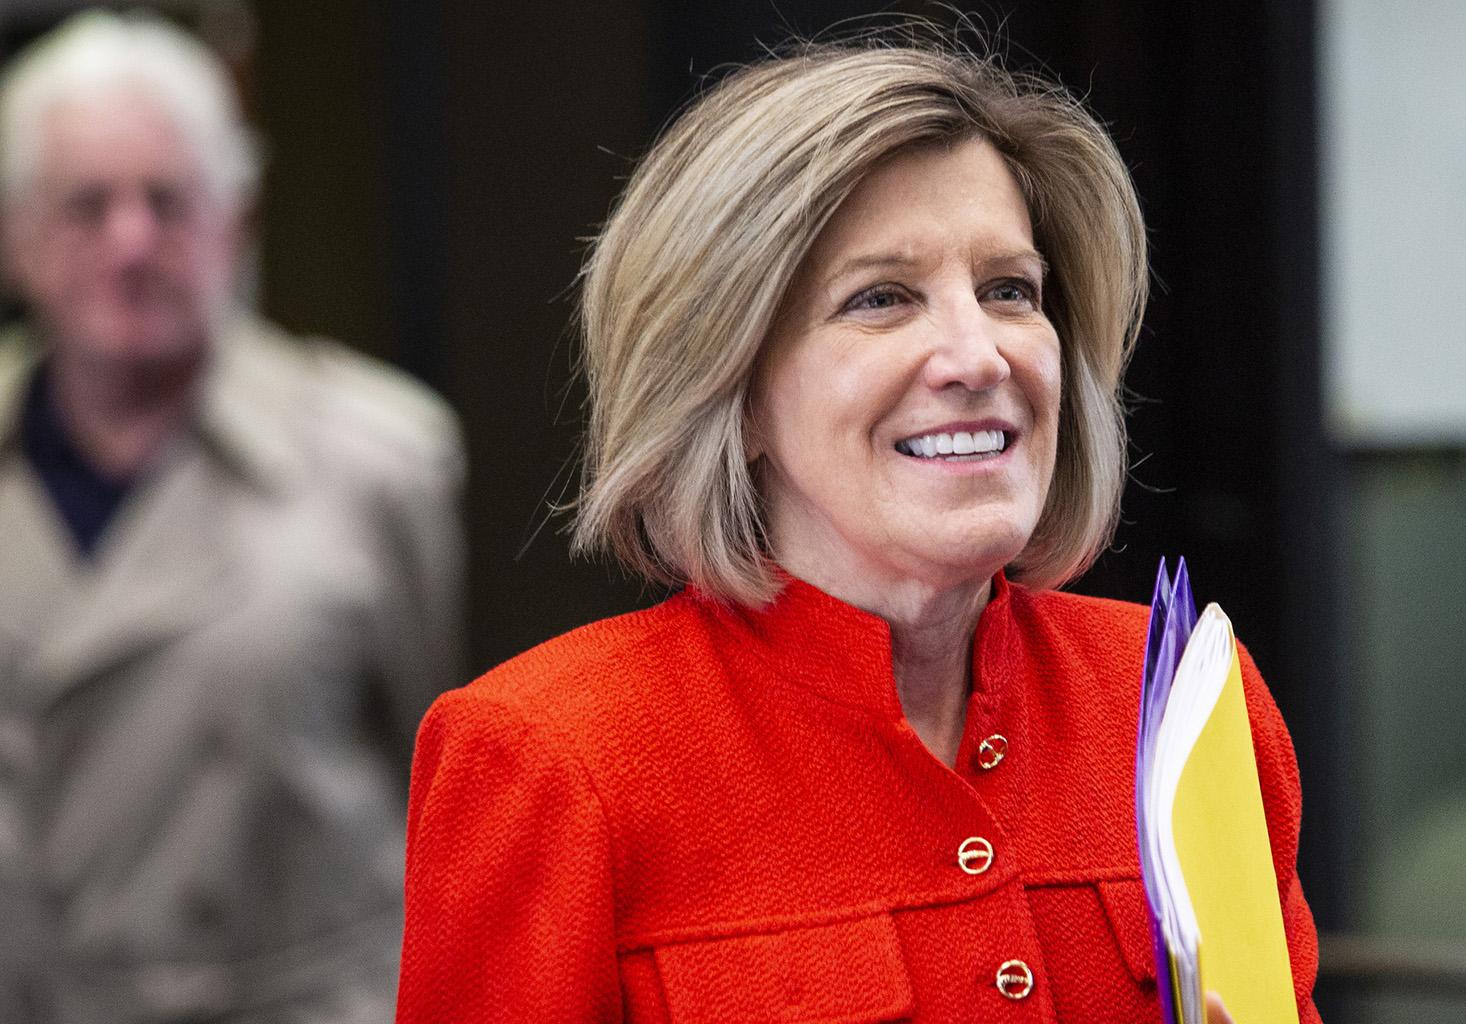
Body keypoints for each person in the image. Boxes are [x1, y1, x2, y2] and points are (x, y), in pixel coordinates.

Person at [397, 37, 1317, 1023]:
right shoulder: (553, 757)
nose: (976, 353)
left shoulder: (1177, 699)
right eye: (881, 298)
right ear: (733, 388)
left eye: (1010, 288)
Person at [0, 11, 463, 1022]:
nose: (132, 242)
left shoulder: (377, 457)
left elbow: (440, 765)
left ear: (236, 218)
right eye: (86, 205)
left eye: (167, 201)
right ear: (16, 237)